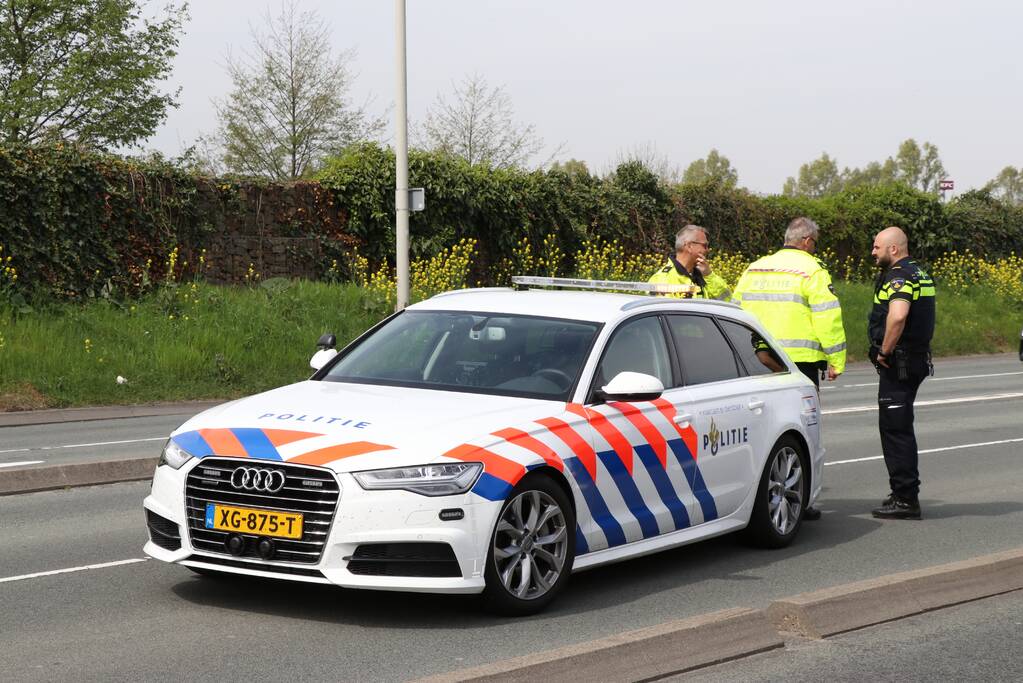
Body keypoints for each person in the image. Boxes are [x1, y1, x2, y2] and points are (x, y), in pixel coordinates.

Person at [731, 217, 847, 390]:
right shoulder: (813, 269)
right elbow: (827, 318)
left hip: (759, 356)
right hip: (800, 360)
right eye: (815, 244)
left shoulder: (754, 268)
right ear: (807, 241)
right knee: (803, 413)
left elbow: (735, 310)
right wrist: (836, 361)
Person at [868, 226, 935, 520]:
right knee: (899, 426)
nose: (873, 252)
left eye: (877, 247)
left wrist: (884, 351)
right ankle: (902, 493)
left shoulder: (899, 276)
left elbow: (898, 315)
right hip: (916, 359)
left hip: (901, 362)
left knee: (896, 429)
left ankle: (906, 499)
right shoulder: (920, 272)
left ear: (893, 249)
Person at [648, 225, 731, 300]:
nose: (707, 250)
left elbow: (726, 300)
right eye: (704, 246)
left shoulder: (703, 275)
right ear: (689, 246)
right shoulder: (663, 279)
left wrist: (709, 276)